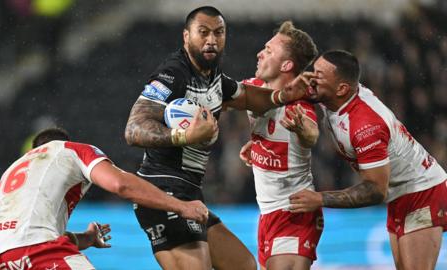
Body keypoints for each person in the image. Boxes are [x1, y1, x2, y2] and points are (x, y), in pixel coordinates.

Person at [124, 6, 305, 270]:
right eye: (203, 32)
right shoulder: (174, 73)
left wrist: (283, 96)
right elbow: (133, 129)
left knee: (242, 265)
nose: (212, 40)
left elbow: (245, 96)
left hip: (190, 191)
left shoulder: (214, 77)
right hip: (162, 190)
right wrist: (185, 135)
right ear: (186, 37)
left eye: (219, 33)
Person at [287, 50, 447, 270]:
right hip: (400, 193)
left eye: (319, 75)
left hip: (422, 192)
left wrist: (320, 199)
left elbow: (375, 190)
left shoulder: (366, 126)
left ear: (342, 88)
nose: (311, 79)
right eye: (313, 71)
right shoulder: (334, 96)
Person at [0, 127, 209, 270]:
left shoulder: (13, 170)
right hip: (34, 250)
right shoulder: (70, 149)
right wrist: (181, 206)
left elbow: (16, 234)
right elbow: (120, 184)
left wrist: (85, 238)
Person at [238, 21, 323, 270]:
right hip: (267, 214)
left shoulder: (299, 106)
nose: (259, 53)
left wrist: (302, 130)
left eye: (269, 50)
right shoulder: (253, 88)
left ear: (286, 66)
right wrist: (256, 143)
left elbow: (311, 134)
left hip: (294, 212)